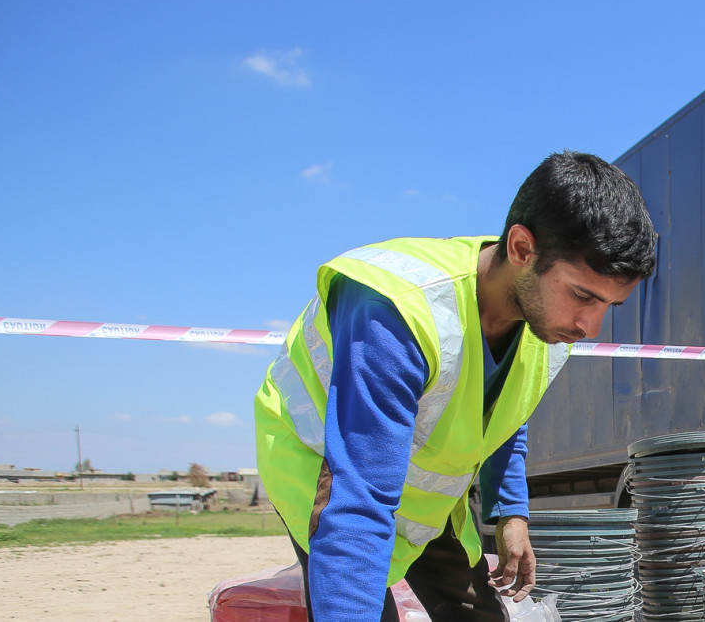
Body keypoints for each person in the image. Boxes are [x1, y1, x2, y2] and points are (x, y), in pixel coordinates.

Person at [253, 152, 657, 622]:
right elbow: (358, 503)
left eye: (610, 304)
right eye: (583, 295)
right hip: (329, 475)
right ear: (522, 249)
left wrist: (512, 514)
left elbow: (505, 413)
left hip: (423, 500)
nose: (591, 325)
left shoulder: (547, 323)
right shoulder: (399, 310)